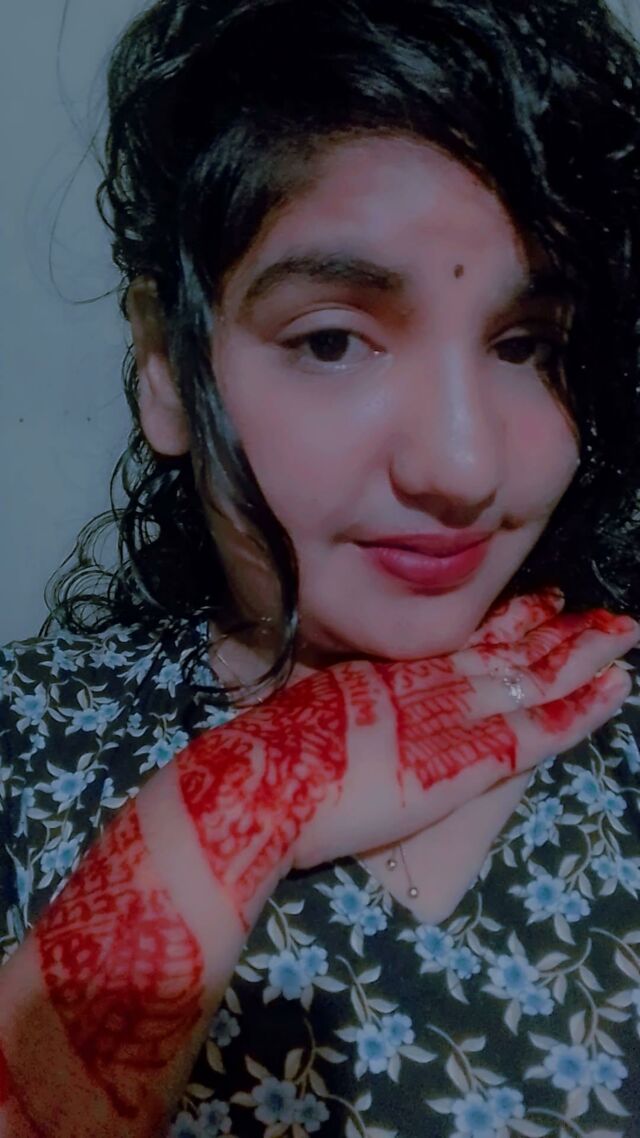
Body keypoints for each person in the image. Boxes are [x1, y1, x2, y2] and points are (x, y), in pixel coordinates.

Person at [2, 0, 640, 1134]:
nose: (462, 465)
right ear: (165, 365)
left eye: (524, 345)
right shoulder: (22, 744)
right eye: (332, 340)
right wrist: (241, 791)